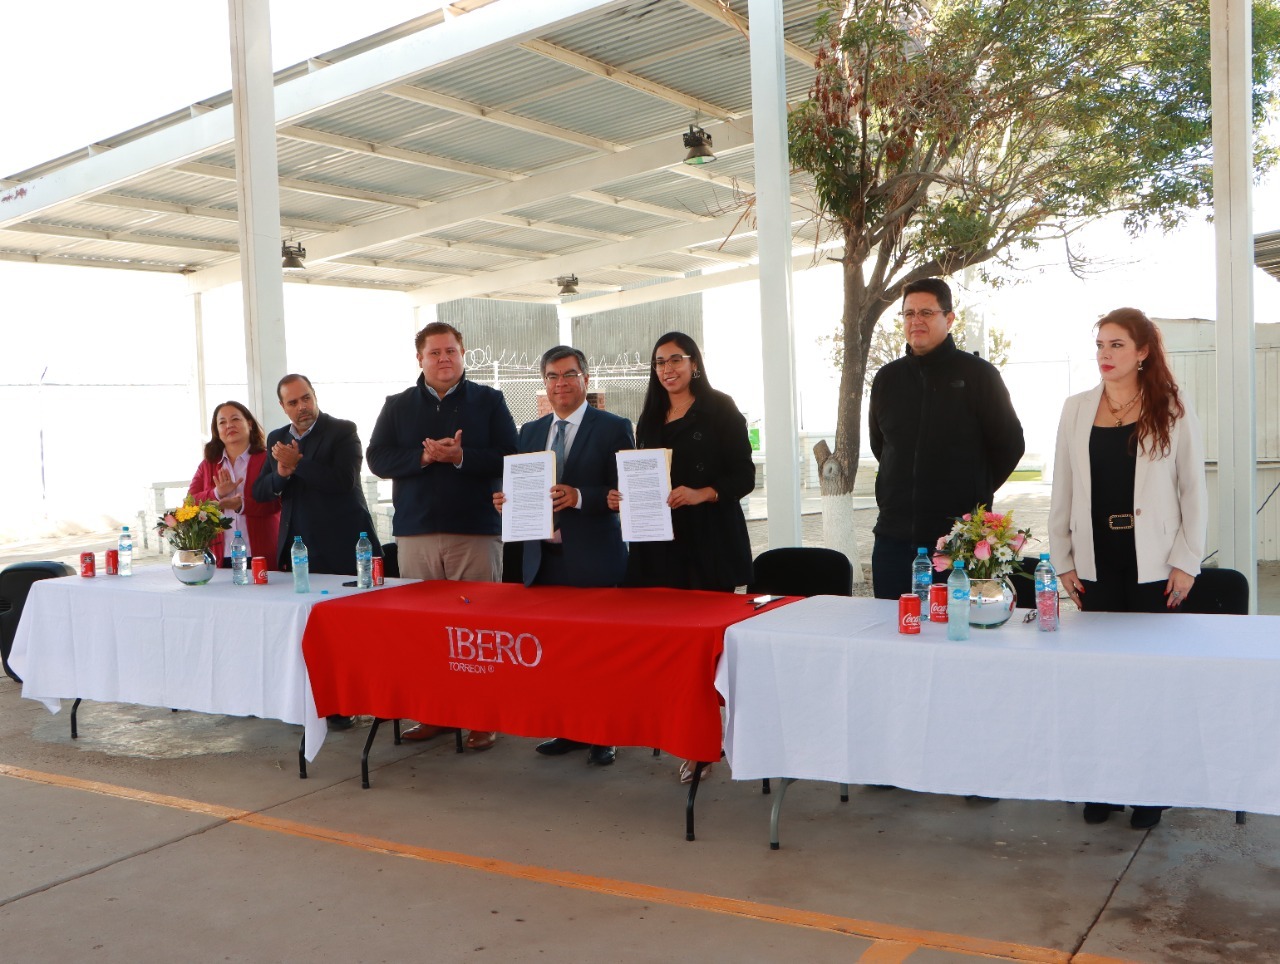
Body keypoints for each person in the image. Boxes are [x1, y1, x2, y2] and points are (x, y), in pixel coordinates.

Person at [1049, 307, 1207, 830]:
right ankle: (1103, 786)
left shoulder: (1172, 407)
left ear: (1142, 352)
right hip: (1096, 561)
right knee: (1099, 683)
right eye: (1100, 344)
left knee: (1148, 683)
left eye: (1116, 345)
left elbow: (1193, 490)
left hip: (1155, 565)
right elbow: (1063, 488)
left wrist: (1186, 561)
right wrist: (1063, 559)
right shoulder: (1075, 408)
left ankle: (1150, 791)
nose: (1105, 354)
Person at [608, 331, 755, 783]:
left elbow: (744, 476)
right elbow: (644, 476)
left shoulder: (720, 408)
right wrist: (623, 497)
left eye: (675, 360)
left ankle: (704, 744)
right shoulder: (650, 415)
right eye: (659, 362)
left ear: (694, 363)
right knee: (667, 649)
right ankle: (675, 731)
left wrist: (702, 493)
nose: (667, 369)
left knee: (703, 653)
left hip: (709, 543)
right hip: (659, 547)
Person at [367, 322, 517, 752]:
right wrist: (423, 456)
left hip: (475, 532)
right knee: (427, 632)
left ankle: (483, 718)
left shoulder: (489, 400)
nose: (443, 359)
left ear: (463, 353)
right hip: (416, 534)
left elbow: (511, 455)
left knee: (479, 632)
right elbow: (377, 458)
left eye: (450, 351)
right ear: (420, 359)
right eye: (434, 353)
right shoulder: (397, 405)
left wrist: (461, 456)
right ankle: (435, 714)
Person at [494, 345, 635, 767]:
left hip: (593, 560)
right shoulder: (530, 431)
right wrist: (506, 502)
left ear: (586, 380)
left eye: (570, 374)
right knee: (557, 653)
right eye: (553, 376)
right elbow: (522, 486)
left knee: (598, 653)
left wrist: (579, 496)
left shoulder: (614, 427)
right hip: (544, 561)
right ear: (544, 383)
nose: (561, 383)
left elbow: (622, 491)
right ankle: (570, 728)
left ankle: (604, 734)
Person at [868, 278, 1025, 599]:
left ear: (949, 318)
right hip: (893, 540)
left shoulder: (979, 375)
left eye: (926, 312)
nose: (916, 321)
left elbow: (1010, 445)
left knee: (956, 626)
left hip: (958, 541)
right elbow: (881, 446)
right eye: (908, 313)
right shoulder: (887, 379)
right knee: (892, 626)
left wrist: (972, 491)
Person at [253, 374, 381, 732]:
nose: (302, 407)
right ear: (283, 407)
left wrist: (299, 463)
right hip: (298, 550)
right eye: (293, 402)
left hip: (343, 547)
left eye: (306, 398)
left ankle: (348, 704)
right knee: (306, 630)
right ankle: (311, 701)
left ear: (314, 396)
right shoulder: (277, 439)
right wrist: (281, 473)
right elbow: (261, 491)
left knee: (346, 631)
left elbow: (343, 481)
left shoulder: (342, 431)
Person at [187, 401, 280, 569]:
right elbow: (189, 503)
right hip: (220, 554)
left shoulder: (268, 459)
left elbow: (277, 503)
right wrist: (217, 493)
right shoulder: (208, 465)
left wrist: (241, 505)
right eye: (222, 422)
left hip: (261, 550)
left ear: (249, 424)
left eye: (235, 419)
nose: (229, 425)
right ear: (217, 431)